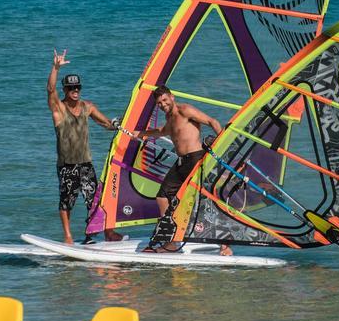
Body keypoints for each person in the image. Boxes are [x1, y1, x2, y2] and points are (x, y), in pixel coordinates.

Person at [134, 85, 230, 254]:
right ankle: (171, 241)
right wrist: (141, 134)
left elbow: (211, 121)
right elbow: (161, 132)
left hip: (196, 159)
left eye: (164, 100)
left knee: (205, 202)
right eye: (159, 103)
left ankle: (225, 246)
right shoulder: (169, 118)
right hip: (181, 162)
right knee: (162, 196)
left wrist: (223, 147)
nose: (162, 104)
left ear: (172, 97)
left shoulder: (185, 110)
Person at [48, 50, 124, 244]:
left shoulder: (87, 106)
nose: (75, 90)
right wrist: (55, 68)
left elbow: (106, 123)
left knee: (96, 200)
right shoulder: (59, 109)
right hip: (67, 165)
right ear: (65, 90)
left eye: (77, 87)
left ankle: (101, 234)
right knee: (67, 201)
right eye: (71, 87)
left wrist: (119, 123)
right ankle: (68, 236)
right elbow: (50, 90)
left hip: (85, 164)